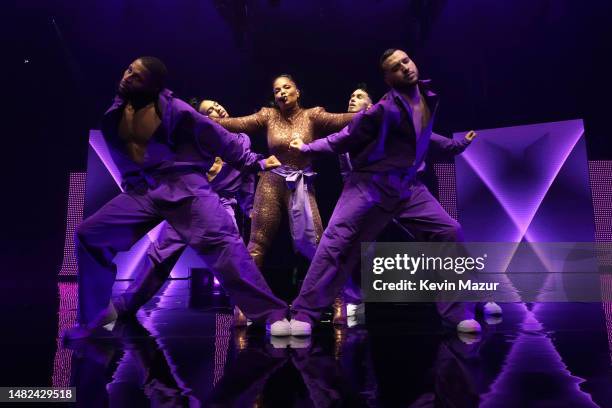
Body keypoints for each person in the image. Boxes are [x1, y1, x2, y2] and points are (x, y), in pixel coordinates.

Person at [66, 57, 293, 340]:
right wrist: (131, 178)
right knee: (90, 235)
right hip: (145, 191)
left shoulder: (176, 110)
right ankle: (97, 319)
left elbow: (219, 137)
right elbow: (123, 151)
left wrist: (254, 162)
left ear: (153, 85)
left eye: (137, 76)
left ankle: (273, 315)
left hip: (187, 190)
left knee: (226, 249)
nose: (128, 77)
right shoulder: (114, 114)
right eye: (128, 71)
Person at [286, 49, 482, 336]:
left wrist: (459, 145)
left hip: (407, 186)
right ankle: (305, 312)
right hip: (369, 185)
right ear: (388, 79)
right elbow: (345, 138)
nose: (404, 68)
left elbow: (429, 139)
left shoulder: (428, 97)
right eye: (395, 67)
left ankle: (457, 313)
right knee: (336, 242)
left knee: (449, 231)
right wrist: (307, 148)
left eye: (406, 61)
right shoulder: (382, 110)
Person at [113, 99, 257, 327]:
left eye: (219, 105)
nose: (218, 108)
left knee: (234, 257)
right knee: (160, 255)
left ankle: (245, 307)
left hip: (221, 205)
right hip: (189, 203)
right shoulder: (194, 143)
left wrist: (249, 206)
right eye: (210, 109)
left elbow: (248, 174)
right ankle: (126, 305)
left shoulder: (241, 140)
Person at [213, 75, 355, 269]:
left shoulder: (312, 115)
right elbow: (238, 123)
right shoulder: (268, 115)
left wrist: (373, 112)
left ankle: (334, 298)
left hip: (300, 183)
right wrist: (203, 120)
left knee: (317, 243)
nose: (281, 93)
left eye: (286, 88)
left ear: (297, 93)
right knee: (257, 244)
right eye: (277, 90)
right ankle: (246, 298)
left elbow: (339, 120)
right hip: (272, 182)